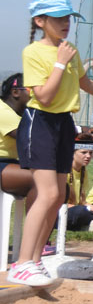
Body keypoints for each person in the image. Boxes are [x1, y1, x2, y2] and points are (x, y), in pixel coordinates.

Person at [9, 0, 93, 287]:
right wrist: (59, 63)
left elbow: (86, 84)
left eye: (68, 18)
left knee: (56, 196)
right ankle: (22, 263)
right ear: (40, 22)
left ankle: (35, 260)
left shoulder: (70, 51)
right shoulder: (33, 52)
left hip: (63, 124)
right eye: (58, 19)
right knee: (45, 195)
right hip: (41, 122)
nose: (65, 24)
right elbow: (42, 96)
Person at [0, 73, 36, 209]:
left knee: (57, 184)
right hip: (2, 163)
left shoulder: (20, 115)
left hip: (10, 163)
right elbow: (30, 136)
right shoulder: (2, 111)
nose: (36, 94)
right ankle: (34, 230)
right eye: (31, 90)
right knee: (41, 181)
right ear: (15, 92)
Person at [63, 143, 93, 232]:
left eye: (90, 153)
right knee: (82, 212)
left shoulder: (83, 172)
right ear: (72, 153)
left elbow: (82, 202)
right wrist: (90, 208)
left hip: (79, 208)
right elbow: (60, 206)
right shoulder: (64, 172)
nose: (88, 156)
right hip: (65, 211)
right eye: (84, 152)